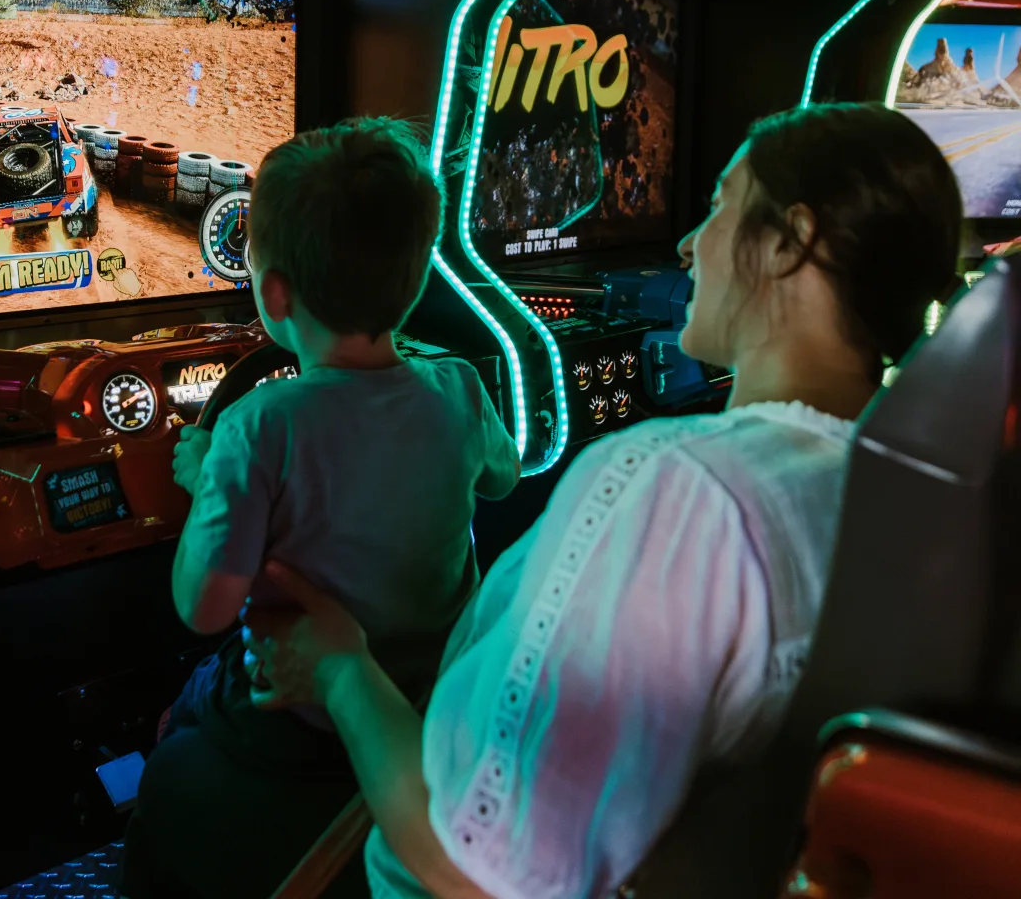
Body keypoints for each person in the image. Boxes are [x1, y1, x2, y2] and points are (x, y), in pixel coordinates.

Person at [238, 103, 964, 899]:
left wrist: (341, 668)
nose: (690, 244)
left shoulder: (682, 491)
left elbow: (473, 873)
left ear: (792, 242)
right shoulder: (917, 490)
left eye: (720, 205)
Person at [119, 117, 521, 899]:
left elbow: (203, 607)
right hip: (428, 702)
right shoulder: (461, 388)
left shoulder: (255, 427)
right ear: (413, 280)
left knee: (183, 716)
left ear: (272, 294)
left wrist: (209, 483)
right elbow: (502, 479)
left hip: (289, 723)